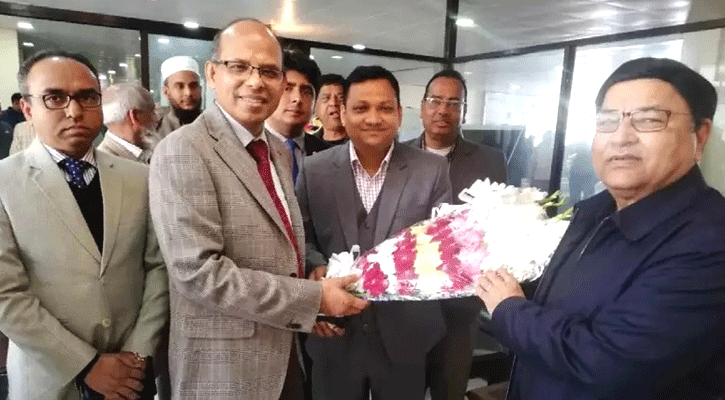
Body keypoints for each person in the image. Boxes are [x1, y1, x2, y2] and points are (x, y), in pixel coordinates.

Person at [476, 57, 725, 400]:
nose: (621, 138)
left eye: (649, 120)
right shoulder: (592, 212)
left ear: (700, 135)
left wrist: (509, 309)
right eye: (607, 121)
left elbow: (606, 363)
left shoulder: (709, 241)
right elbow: (568, 300)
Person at [148, 19, 368, 400]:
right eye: (239, 66)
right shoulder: (183, 150)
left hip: (285, 354)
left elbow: (278, 246)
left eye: (268, 71)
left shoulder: (276, 151)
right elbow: (200, 275)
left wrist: (310, 276)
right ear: (212, 73)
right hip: (225, 369)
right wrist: (313, 298)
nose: (255, 81)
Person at [0, 50, 168, 400]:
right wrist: (86, 364)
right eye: (54, 98)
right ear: (27, 109)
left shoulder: (139, 177)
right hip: (49, 376)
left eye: (87, 97)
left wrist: (138, 352)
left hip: (132, 373)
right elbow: (6, 294)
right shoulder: (5, 182)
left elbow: (158, 267)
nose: (74, 111)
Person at [297, 65, 452, 400]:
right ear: (343, 113)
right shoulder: (314, 170)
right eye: (361, 108)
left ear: (399, 114)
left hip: (407, 333)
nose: (373, 118)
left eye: (385, 108)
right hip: (333, 332)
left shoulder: (432, 170)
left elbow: (442, 246)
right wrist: (315, 275)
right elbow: (300, 239)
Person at [404, 69, 507, 400]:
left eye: (453, 103)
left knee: (450, 390)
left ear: (464, 111)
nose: (443, 110)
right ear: (422, 107)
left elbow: (497, 225)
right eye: (435, 101)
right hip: (406, 305)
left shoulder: (490, 161)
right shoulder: (397, 156)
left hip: (459, 308)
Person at [266, 50, 329, 184]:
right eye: (287, 88)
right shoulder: (246, 148)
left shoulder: (328, 155)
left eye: (306, 91)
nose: (297, 99)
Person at [97, 82, 157, 163]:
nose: (156, 118)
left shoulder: (149, 149)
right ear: (134, 116)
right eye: (152, 112)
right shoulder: (106, 164)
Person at [155, 56, 202, 139]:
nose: (188, 93)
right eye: (180, 86)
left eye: (193, 85)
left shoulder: (215, 125)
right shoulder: (156, 130)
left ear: (200, 89)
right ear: (166, 92)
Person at [312, 73, 347, 145]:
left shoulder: (361, 143)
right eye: (326, 98)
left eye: (340, 98)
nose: (333, 103)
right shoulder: (307, 145)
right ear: (314, 107)